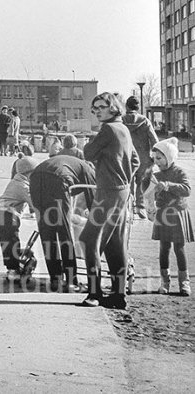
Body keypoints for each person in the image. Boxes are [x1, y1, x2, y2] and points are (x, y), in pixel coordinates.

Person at [79, 92, 139, 309]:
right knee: (115, 242)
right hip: (122, 191)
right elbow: (135, 161)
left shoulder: (107, 129)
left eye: (101, 107)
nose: (97, 111)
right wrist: (124, 179)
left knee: (89, 239)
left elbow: (88, 153)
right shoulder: (123, 128)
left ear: (113, 107)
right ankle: (118, 294)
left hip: (108, 192)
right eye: (94, 108)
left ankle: (94, 294)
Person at [29, 155, 96, 292]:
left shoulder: (74, 164)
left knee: (46, 230)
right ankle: (72, 280)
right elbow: (93, 201)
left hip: (36, 177)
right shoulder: (89, 170)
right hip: (58, 179)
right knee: (64, 231)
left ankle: (55, 278)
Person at [148, 138, 193, 296]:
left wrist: (169, 185)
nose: (156, 161)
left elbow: (187, 190)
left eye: (159, 158)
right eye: (154, 158)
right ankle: (165, 282)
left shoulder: (179, 172)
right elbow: (149, 194)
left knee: (179, 248)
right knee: (164, 248)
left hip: (177, 213)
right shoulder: (155, 175)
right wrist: (150, 207)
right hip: (163, 214)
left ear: (169, 157)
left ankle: (184, 283)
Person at [0, 150, 37, 282]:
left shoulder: (17, 181)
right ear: (28, 173)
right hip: (7, 215)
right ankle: (13, 270)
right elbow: (33, 203)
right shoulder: (22, 186)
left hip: (1, 213)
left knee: (9, 242)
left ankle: (13, 267)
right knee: (12, 241)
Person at [123, 95, 159, 220]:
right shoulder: (145, 121)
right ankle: (140, 207)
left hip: (125, 158)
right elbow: (155, 141)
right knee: (142, 183)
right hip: (143, 159)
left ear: (126, 106)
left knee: (127, 181)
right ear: (138, 108)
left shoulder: (121, 121)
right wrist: (155, 157)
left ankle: (127, 207)